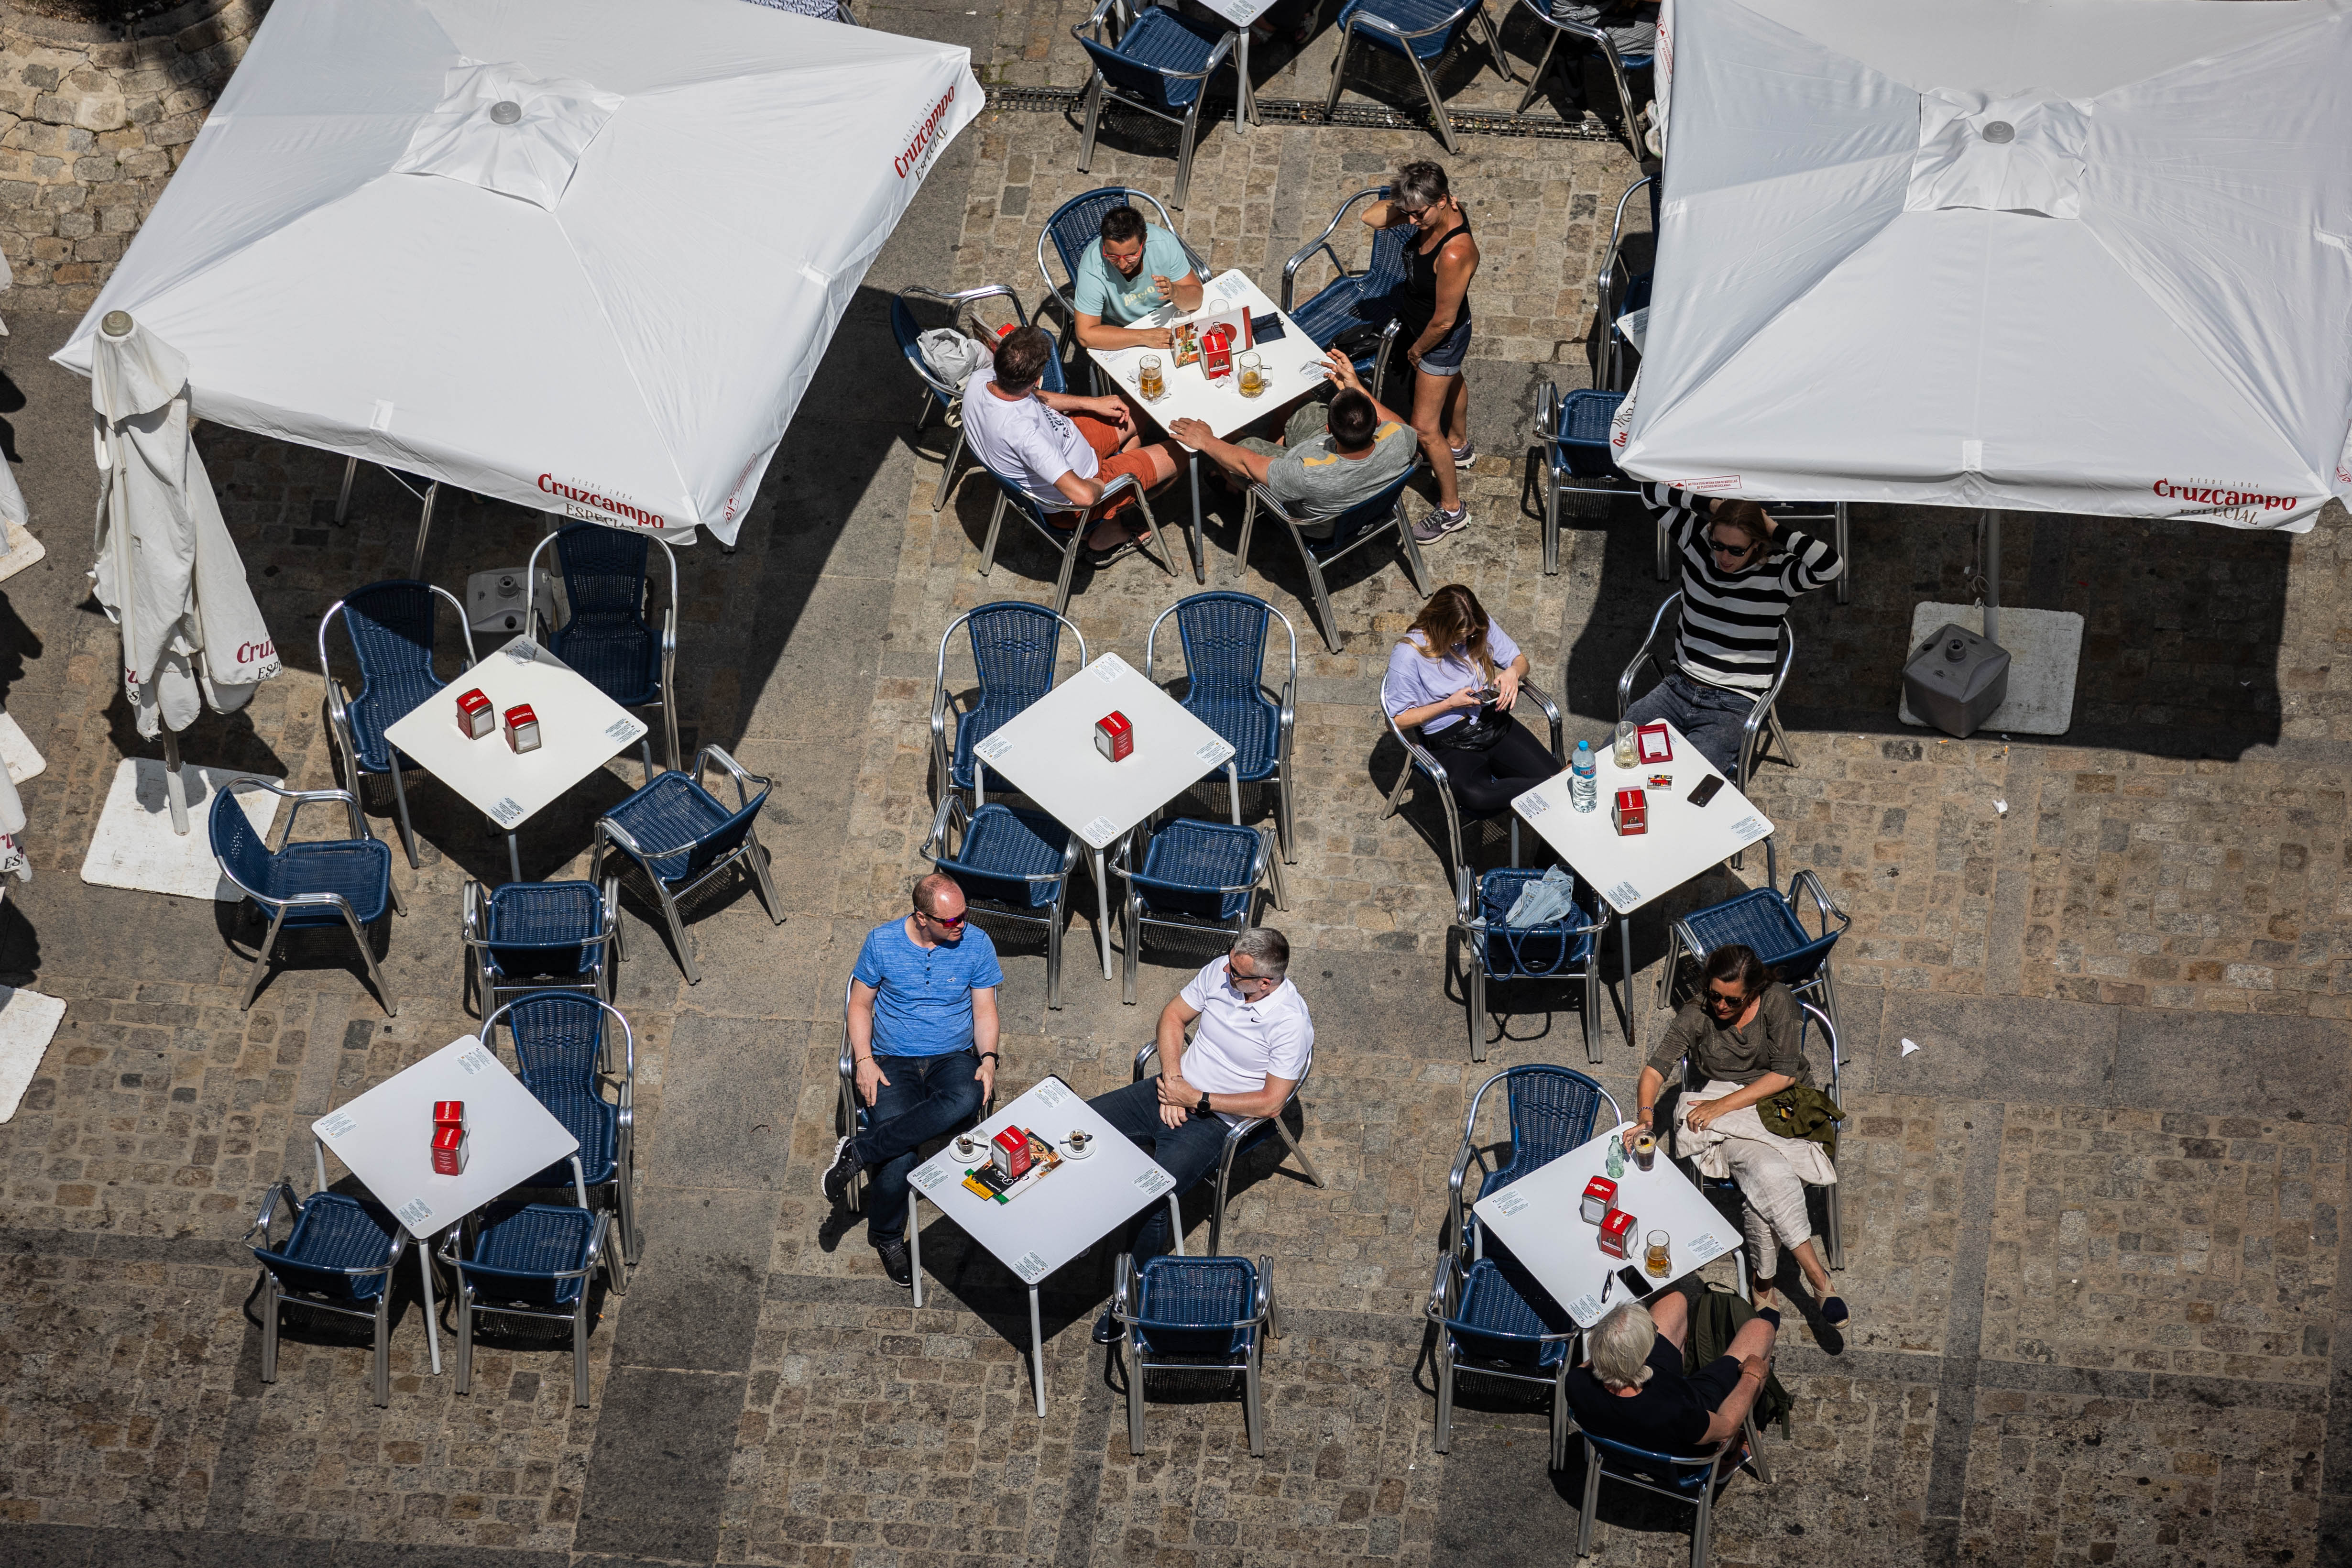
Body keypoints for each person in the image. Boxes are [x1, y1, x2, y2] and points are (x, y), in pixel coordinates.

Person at [1085, 928, 1311, 1342]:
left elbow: (1271, 1103)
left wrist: (1197, 1100)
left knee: (1153, 1197)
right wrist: (1175, 1081)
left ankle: (1130, 1293)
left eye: (1236, 973)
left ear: (1265, 982)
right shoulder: (1223, 970)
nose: (1226, 972)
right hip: (1172, 1089)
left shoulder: (1290, 1024)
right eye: (1228, 961)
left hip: (1215, 1120)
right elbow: (1173, 1016)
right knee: (1080, 1125)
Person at [1631, 943, 1849, 1327]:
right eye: (1714, 994)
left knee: (1764, 1182)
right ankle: (1816, 1277)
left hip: (1780, 1105)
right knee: (1770, 1172)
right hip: (1727, 1110)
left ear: (1753, 991)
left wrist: (1721, 1106)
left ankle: (1764, 1281)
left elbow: (1784, 1074)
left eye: (1732, 1000)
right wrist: (1646, 1119)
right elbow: (1654, 1070)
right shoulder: (1696, 1013)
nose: (1720, 1005)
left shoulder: (1776, 1001)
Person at [820, 873, 1004, 1288]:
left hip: (952, 1056)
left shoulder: (976, 943)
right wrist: (864, 1060)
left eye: (964, 914)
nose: (962, 924)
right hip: (892, 1059)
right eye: (951, 920)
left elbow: (984, 1010)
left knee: (969, 1093)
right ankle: (887, 1236)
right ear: (922, 918)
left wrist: (989, 1059)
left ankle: (861, 1150)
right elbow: (860, 1005)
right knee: (900, 1158)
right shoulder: (881, 942)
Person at [1629, 484, 1843, 779]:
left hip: (1733, 703)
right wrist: (1713, 505)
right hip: (1677, 688)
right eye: (1719, 545)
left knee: (1688, 781)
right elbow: (1650, 492)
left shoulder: (1780, 574)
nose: (1724, 557)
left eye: (1737, 550)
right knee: (1616, 756)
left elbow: (1830, 566)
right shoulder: (1696, 542)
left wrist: (1772, 527)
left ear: (1757, 544)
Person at [958, 324, 1183, 563]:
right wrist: (1100, 483)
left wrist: (1091, 403)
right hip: (1080, 493)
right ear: (1037, 378)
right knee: (1182, 451)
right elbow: (1084, 497)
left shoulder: (982, 380)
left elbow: (1032, 396)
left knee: (1140, 404)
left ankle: (1114, 507)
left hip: (1072, 439)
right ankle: (1109, 533)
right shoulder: (1027, 437)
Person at [1165, 348, 1417, 538]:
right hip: (1353, 495)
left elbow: (1244, 463)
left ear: (1329, 430)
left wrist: (1207, 441)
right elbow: (1403, 426)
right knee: (1295, 400)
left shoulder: (1306, 475)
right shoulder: (1400, 438)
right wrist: (1356, 387)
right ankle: (1275, 449)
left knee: (1232, 445)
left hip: (1318, 524)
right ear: (1377, 422)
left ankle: (1236, 489)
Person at [1361, 161, 1479, 543]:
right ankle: (1459, 445)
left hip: (1437, 338)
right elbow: (1371, 218)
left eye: (1418, 213)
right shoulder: (1436, 212)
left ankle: (1452, 510)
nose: (1411, 222)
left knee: (1425, 430)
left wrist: (1416, 352)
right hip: (1428, 328)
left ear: (1443, 200)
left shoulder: (1454, 253)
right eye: (1407, 212)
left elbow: (1443, 322)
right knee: (1452, 379)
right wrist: (1406, 205)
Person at [1382, 583, 1561, 814]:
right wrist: (1448, 704)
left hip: (1492, 722)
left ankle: (1551, 786)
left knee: (1555, 781)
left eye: (1472, 635)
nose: (1467, 642)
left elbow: (1520, 661)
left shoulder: (1477, 625)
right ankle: (1551, 785)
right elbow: (1395, 721)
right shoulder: (1408, 655)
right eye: (1459, 639)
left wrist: (1514, 672)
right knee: (1477, 796)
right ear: (1441, 628)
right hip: (1450, 741)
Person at [1565, 1293, 1778, 1459]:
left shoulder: (1576, 1382)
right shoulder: (1676, 1412)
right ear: (1645, 1354)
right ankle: (1730, 1455)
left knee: (1672, 1300)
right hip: (1686, 1431)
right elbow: (1727, 1426)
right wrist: (1752, 1376)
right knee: (1761, 1329)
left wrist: (1612, 1344)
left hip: (1641, 1392)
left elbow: (1596, 1362)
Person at [1072, 205, 1204, 352]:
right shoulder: (1092, 267)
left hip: (1165, 319)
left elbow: (1196, 301)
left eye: (1131, 256)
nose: (1122, 265)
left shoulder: (1164, 244)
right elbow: (1085, 335)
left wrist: (1176, 292)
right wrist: (1145, 337)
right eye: (1113, 256)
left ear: (1144, 241)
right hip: (1121, 332)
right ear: (1104, 244)